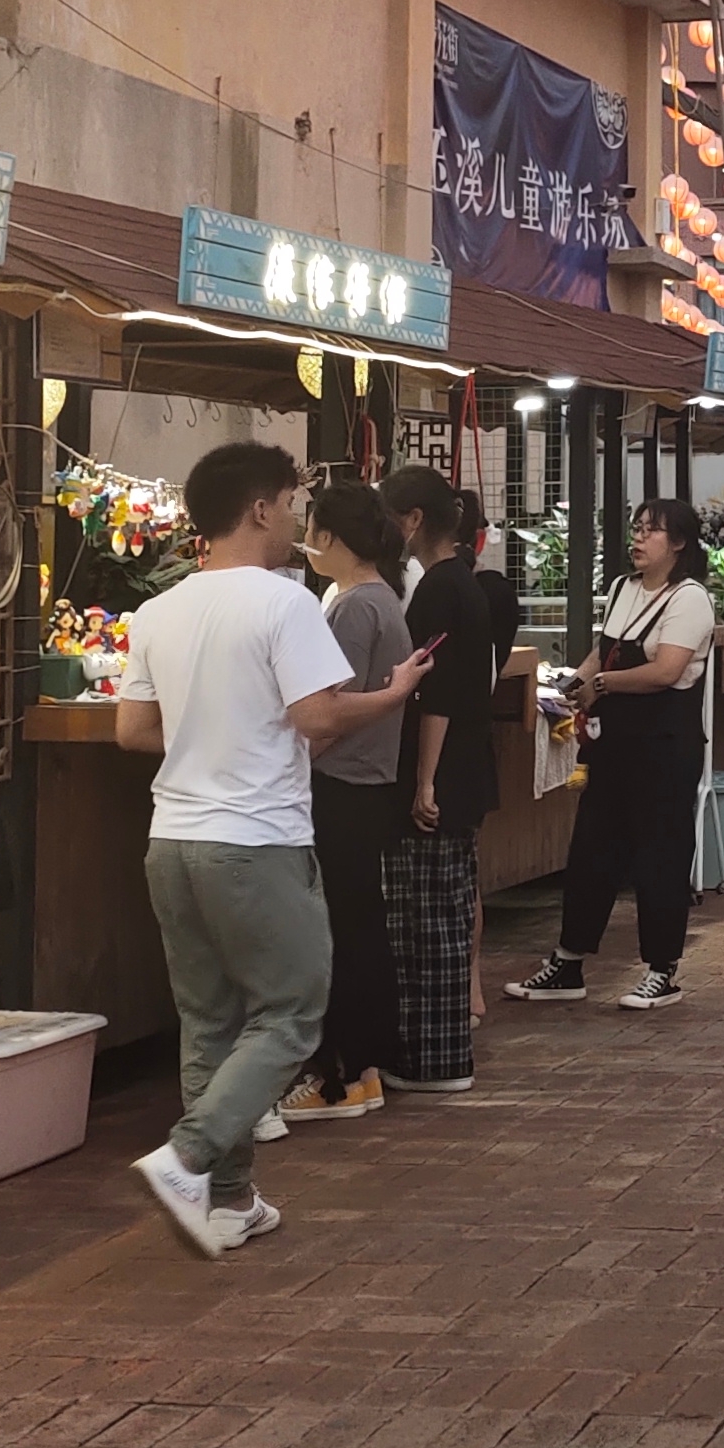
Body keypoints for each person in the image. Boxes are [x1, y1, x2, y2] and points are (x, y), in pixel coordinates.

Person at [116, 441, 427, 1257]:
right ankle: (189, 1159)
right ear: (260, 509)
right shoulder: (285, 604)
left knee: (209, 1022)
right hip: (256, 841)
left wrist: (212, 735)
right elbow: (321, 717)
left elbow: (133, 730)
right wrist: (391, 693)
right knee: (292, 1012)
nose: (298, 521)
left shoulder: (160, 611)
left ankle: (230, 1201)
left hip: (171, 840)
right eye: (292, 504)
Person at [509, 497, 720, 1011]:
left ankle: (662, 970)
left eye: (652, 531)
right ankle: (568, 961)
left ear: (679, 544)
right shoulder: (624, 589)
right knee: (591, 852)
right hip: (613, 747)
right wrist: (576, 681)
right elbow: (602, 651)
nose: (639, 538)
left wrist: (601, 683)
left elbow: (667, 670)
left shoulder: (690, 599)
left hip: (665, 750)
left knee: (660, 859)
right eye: (637, 528)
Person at [283, 482, 416, 1124]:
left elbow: (331, 710)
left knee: (339, 932)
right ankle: (362, 1069)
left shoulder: (354, 609)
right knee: (359, 926)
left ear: (329, 536)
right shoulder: (380, 600)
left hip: (342, 787)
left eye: (309, 526)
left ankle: (341, 1076)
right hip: (368, 788)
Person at [384, 471, 500, 1089]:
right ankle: (446, 1053)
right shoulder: (468, 584)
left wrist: (423, 781)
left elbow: (438, 695)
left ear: (411, 520)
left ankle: (430, 1061)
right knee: (449, 914)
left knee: (424, 921)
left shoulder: (436, 591)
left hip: (442, 774)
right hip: (467, 770)